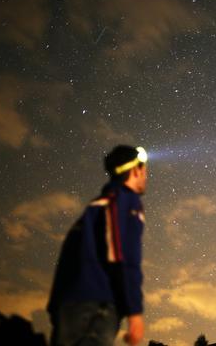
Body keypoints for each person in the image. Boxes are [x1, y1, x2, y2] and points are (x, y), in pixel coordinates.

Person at [47, 145, 148, 346]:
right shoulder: (125, 200)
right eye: (144, 171)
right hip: (95, 306)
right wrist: (134, 311)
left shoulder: (98, 207)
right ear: (135, 170)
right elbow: (120, 253)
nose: (146, 177)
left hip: (72, 307)